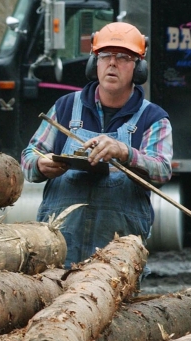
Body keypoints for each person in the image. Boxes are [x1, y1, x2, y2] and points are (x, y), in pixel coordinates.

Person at [21, 22, 173, 268]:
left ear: (139, 68)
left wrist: (125, 153)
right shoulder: (65, 107)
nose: (112, 63)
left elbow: (162, 171)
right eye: (105, 56)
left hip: (117, 257)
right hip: (60, 248)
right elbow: (28, 159)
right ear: (95, 63)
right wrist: (40, 164)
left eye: (123, 57)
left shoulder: (153, 119)